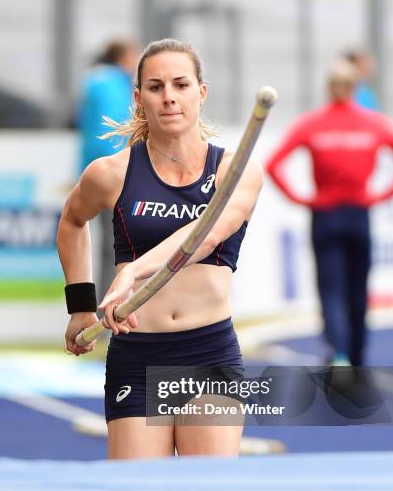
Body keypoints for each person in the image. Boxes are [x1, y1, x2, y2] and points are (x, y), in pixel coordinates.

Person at [57, 38, 264, 459]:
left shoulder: (234, 170)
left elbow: (203, 235)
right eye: (155, 87)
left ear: (200, 93)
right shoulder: (110, 173)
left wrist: (133, 271)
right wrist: (80, 305)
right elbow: (72, 221)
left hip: (208, 352)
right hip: (137, 353)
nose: (169, 97)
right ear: (138, 98)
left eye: (180, 84)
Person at [266, 60, 393, 366]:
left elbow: (273, 165)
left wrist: (301, 199)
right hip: (358, 213)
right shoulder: (373, 123)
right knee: (357, 287)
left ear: (329, 87)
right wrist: (380, 195)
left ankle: (338, 353)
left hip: (325, 215)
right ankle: (357, 353)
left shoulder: (312, 123)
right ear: (355, 88)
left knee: (331, 287)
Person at [77, 40, 138, 300]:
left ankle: (105, 304)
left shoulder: (94, 81)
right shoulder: (115, 84)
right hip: (119, 173)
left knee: (108, 246)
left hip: (94, 172)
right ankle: (118, 306)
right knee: (124, 246)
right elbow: (114, 131)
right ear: (123, 56)